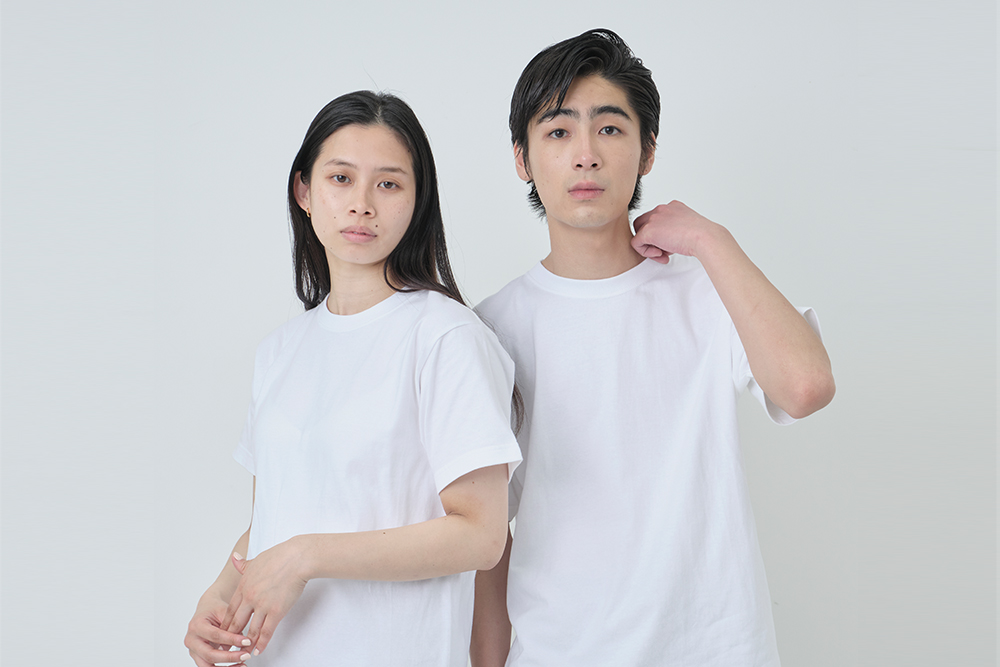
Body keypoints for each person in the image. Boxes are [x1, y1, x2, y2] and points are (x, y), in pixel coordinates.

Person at [470, 29, 835, 667]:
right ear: (523, 159)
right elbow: (487, 538)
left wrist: (712, 240)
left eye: (610, 129)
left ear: (647, 151)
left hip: (715, 650)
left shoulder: (709, 289)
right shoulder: (489, 329)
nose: (586, 154)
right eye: (558, 131)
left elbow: (805, 388)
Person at [183, 91, 522, 667]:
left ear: (417, 200)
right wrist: (218, 597)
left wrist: (306, 557)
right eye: (340, 178)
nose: (361, 204)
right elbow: (276, 516)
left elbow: (481, 535)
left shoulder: (446, 338)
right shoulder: (279, 351)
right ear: (304, 191)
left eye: (388, 184)